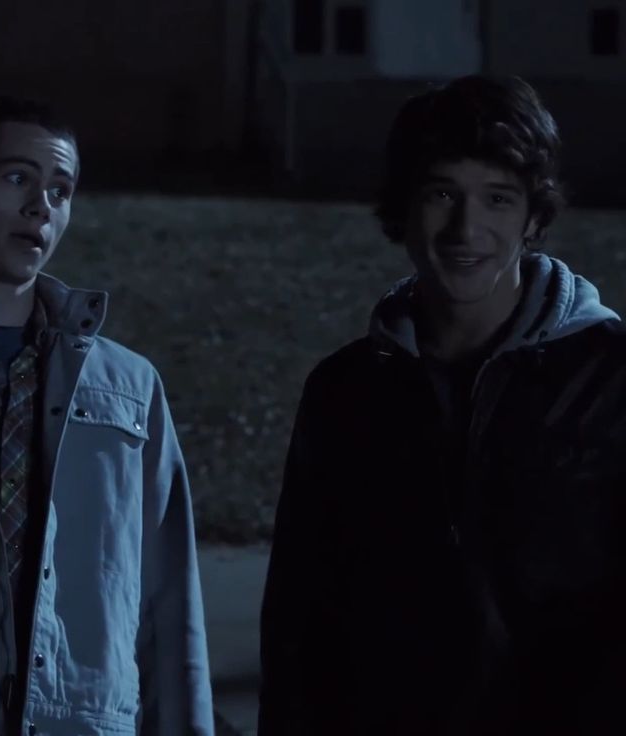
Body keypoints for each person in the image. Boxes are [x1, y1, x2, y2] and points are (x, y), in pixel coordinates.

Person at [258, 75, 626, 735]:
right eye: (441, 194)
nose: (466, 228)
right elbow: (299, 619)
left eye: (497, 198)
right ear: (404, 207)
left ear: (533, 217)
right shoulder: (347, 391)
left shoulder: (611, 375)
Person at [0, 94, 214, 735]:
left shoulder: (127, 385)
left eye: (61, 189)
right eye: (18, 178)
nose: (43, 205)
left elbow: (170, 602)